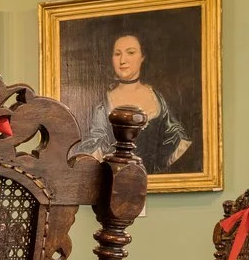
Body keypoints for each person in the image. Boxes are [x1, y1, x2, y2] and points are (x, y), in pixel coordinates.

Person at [76, 30, 191, 170]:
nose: (122, 60)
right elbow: (95, 142)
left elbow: (175, 138)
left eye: (130, 52)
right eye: (117, 54)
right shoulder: (103, 104)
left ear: (142, 57)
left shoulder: (156, 98)